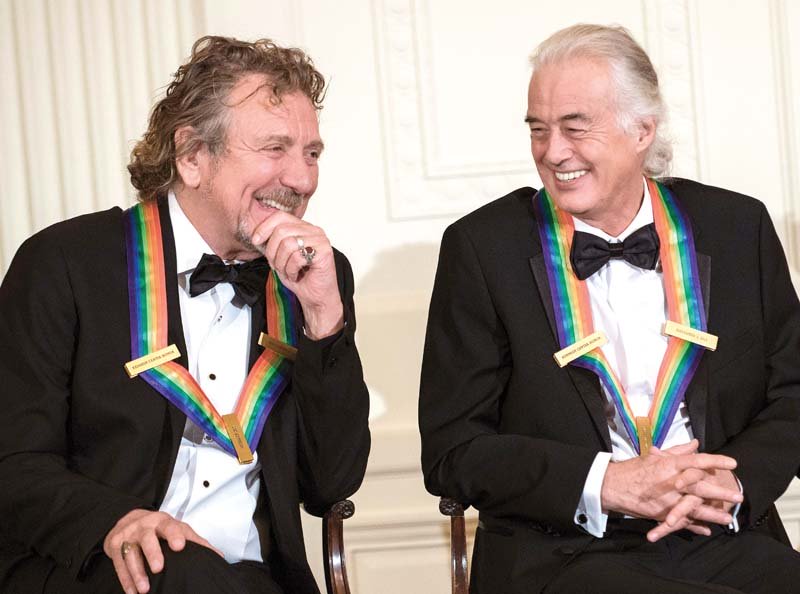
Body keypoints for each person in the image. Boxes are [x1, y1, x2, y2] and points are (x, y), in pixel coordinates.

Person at [420, 24, 800, 593]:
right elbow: (454, 450)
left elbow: (793, 391)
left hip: (724, 538)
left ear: (642, 130)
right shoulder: (480, 248)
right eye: (539, 130)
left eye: (575, 128)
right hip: (563, 554)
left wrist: (731, 484)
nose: (552, 153)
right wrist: (607, 483)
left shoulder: (737, 227)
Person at [0, 35, 369, 594]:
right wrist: (113, 522)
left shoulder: (315, 273)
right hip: (104, 570)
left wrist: (324, 320)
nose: (302, 180)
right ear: (193, 156)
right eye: (275, 148)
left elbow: (330, 484)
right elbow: (14, 461)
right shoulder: (65, 263)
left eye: (312, 153)